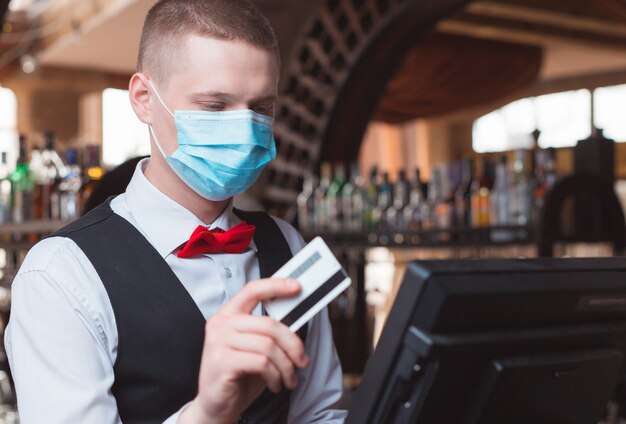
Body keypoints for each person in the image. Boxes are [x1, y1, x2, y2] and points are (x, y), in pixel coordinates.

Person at [5, 1, 347, 423]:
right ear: (144, 99)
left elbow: (320, 414)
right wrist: (207, 413)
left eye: (261, 108)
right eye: (215, 107)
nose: (244, 129)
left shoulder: (290, 245)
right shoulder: (59, 275)